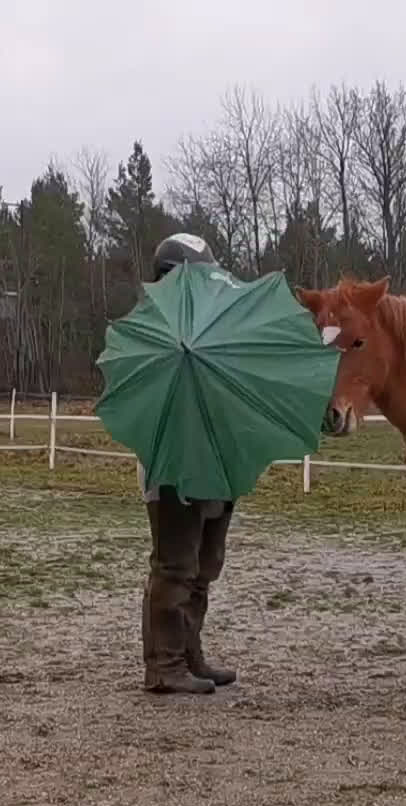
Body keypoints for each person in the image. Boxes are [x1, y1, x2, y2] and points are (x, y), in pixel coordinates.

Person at [139, 233, 238, 695]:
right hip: (174, 463)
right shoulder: (153, 332)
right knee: (175, 564)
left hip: (217, 459)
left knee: (204, 566)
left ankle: (189, 652)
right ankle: (164, 664)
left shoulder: (215, 328)